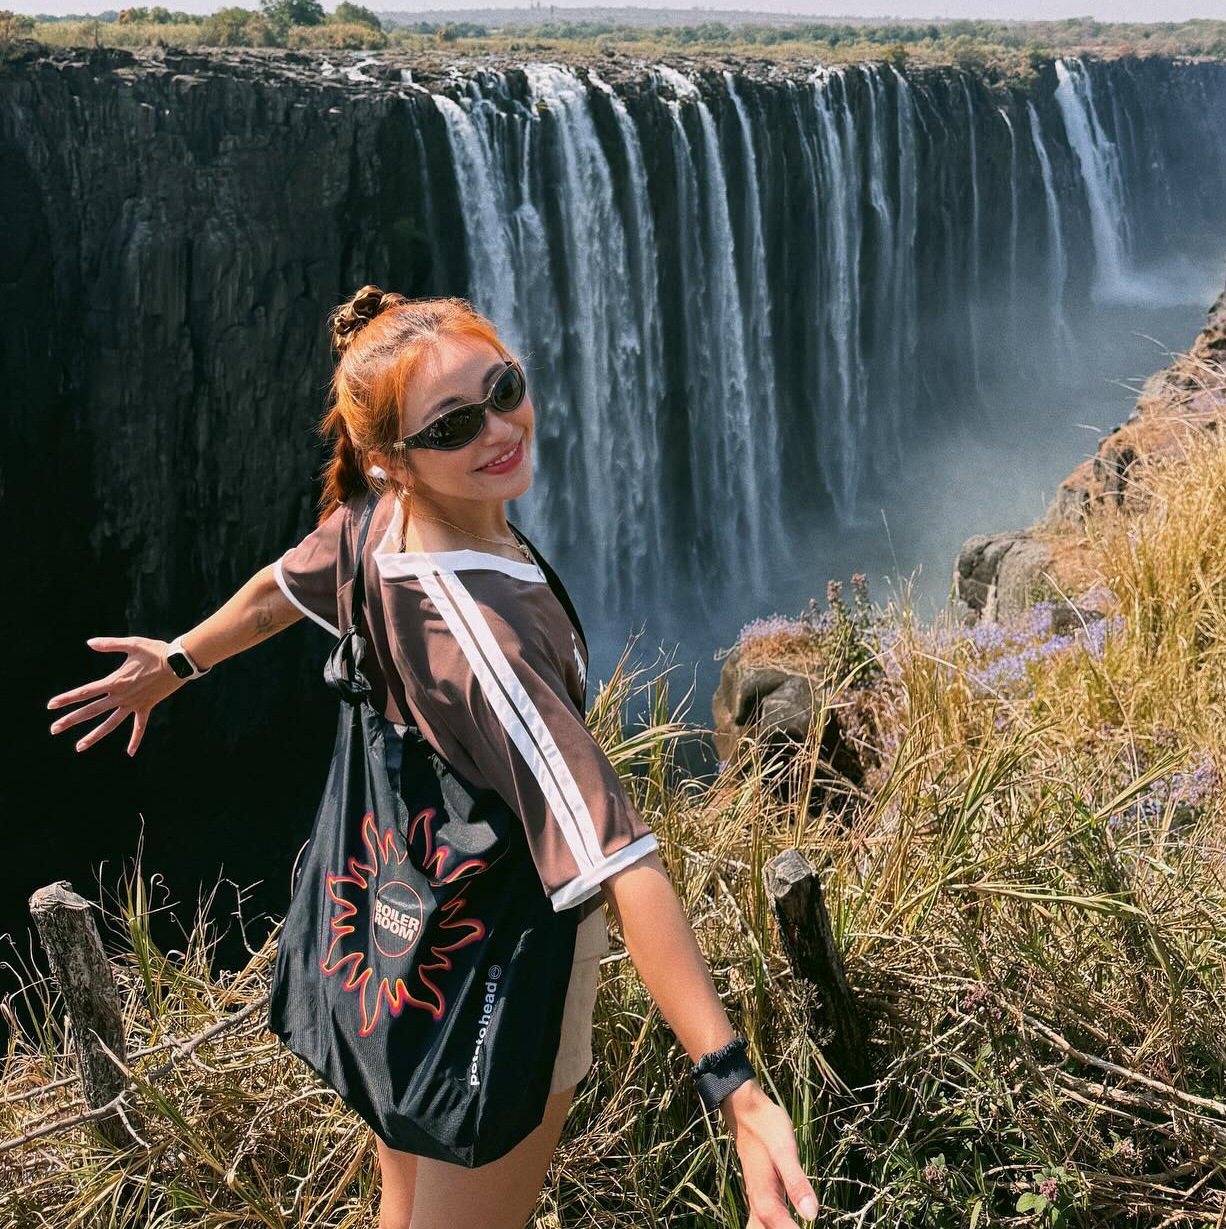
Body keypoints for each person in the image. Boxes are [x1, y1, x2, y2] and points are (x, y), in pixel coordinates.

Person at [47, 284, 821, 1229]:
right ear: (391, 460)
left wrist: (177, 662)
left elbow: (277, 590)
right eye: (452, 425)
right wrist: (733, 1084)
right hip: (494, 954)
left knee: (404, 1199)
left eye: (505, 387)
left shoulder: (376, 524)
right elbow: (619, 858)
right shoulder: (484, 643)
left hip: (399, 934)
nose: (498, 429)